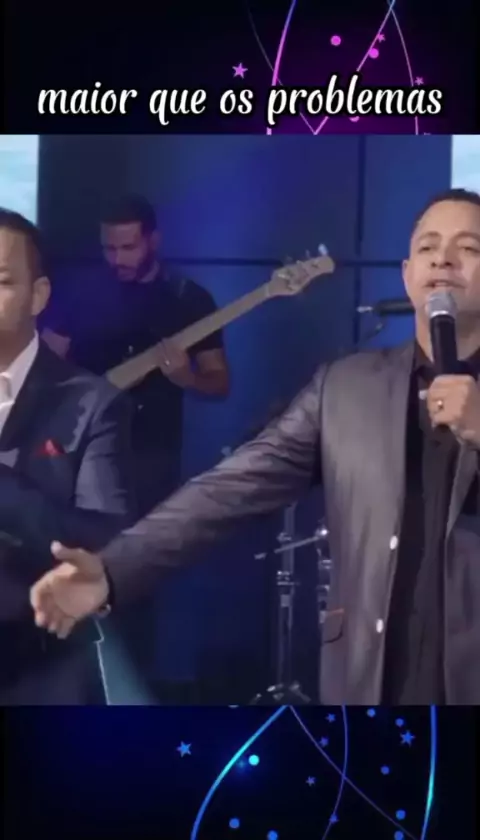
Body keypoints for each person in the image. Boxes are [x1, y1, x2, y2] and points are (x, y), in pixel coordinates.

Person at [30, 187, 480, 705]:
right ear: (406, 273)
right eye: (428, 246)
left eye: (467, 247)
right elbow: (227, 490)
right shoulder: (345, 388)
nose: (443, 259)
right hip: (368, 680)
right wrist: (112, 569)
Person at [41, 194, 229, 694]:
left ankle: (135, 691)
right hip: (79, 456)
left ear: (153, 241)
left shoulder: (189, 300)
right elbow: (46, 365)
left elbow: (219, 383)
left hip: (151, 457)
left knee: (138, 576)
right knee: (69, 564)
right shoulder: (80, 296)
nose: (118, 258)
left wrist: (186, 377)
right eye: (109, 247)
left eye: (128, 246)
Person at [0, 208, 133, 705]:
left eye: (1, 281)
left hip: (37, 671)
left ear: (38, 296)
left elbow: (105, 539)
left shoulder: (92, 402)